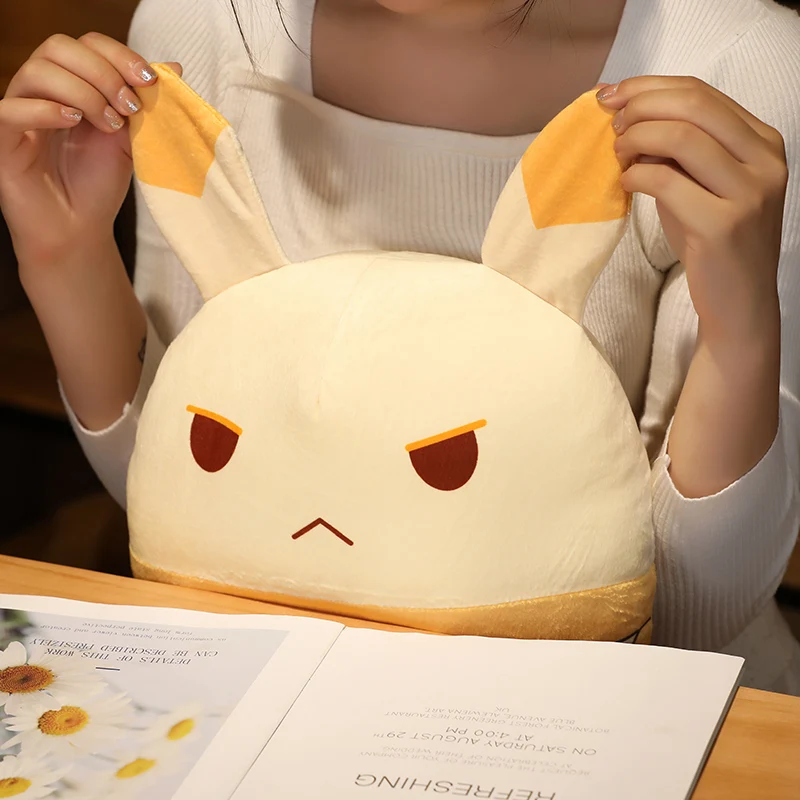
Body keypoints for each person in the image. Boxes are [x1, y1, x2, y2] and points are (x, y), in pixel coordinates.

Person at [1, 0, 799, 692]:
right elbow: (193, 513)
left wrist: (741, 335)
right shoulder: (209, 24)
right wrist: (63, 256)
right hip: (281, 693)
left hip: (617, 713)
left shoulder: (734, 69)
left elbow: (691, 615)